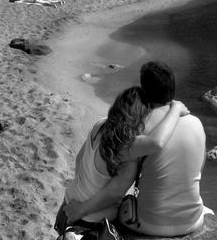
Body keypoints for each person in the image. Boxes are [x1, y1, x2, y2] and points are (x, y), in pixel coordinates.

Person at [60, 87, 189, 230]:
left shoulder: (100, 125)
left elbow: (79, 160)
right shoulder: (126, 148)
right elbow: (156, 142)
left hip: (67, 205)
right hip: (89, 222)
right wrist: (175, 110)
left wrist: (86, 190)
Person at [120, 62, 210, 236]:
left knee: (123, 205)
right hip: (192, 221)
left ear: (143, 91)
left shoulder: (140, 126)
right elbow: (197, 170)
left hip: (150, 224)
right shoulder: (196, 123)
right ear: (172, 90)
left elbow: (125, 178)